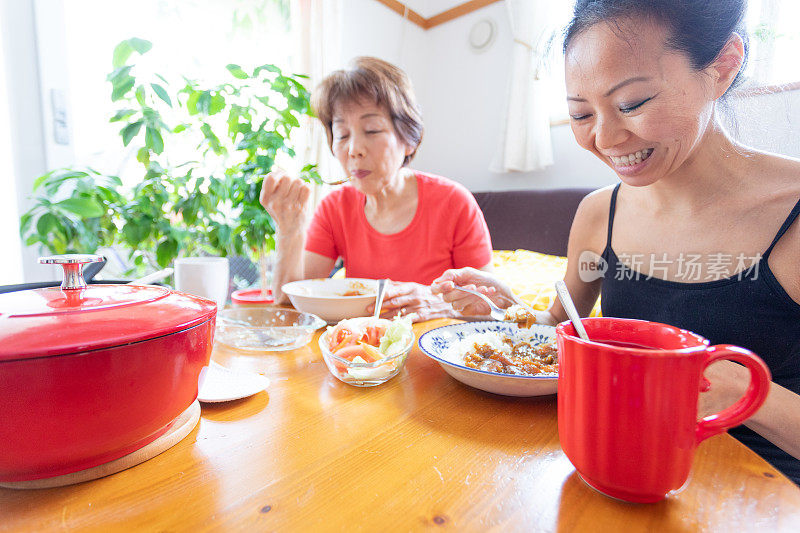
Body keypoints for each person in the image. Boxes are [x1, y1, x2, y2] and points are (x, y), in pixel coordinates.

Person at [433, 0, 800, 484]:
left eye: (632, 104)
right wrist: (505, 309)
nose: (605, 138)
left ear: (723, 66)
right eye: (581, 114)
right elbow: (565, 325)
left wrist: (746, 393)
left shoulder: (790, 216)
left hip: (756, 500)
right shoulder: (596, 215)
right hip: (615, 471)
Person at [260, 56, 493, 321]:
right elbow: (290, 301)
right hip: (359, 354)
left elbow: (489, 306)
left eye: (371, 130)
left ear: (409, 140)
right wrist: (289, 227)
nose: (354, 150)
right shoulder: (334, 207)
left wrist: (438, 302)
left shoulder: (454, 202)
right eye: (342, 135)